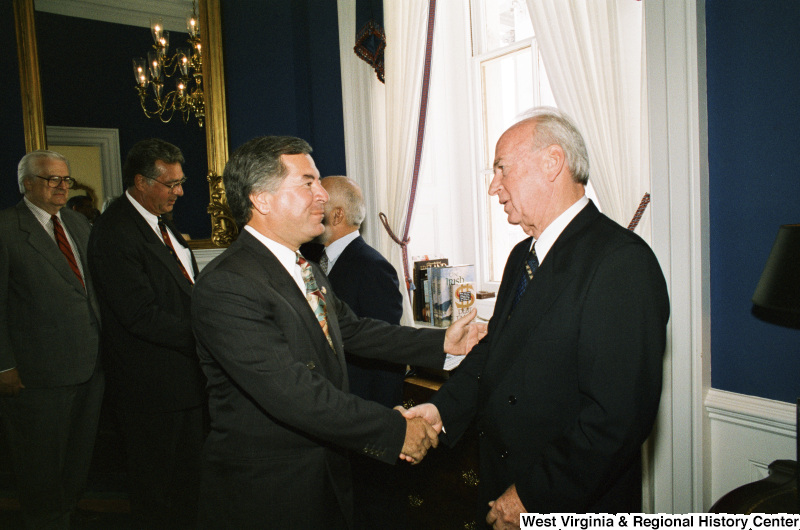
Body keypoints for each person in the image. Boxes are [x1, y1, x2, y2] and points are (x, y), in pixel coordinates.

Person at [191, 135, 484, 529]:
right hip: (269, 494)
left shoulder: (304, 267)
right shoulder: (227, 284)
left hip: (325, 478)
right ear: (261, 200)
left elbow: (354, 330)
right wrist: (394, 430)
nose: (323, 196)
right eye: (307, 183)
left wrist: (442, 342)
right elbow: (295, 393)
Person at [403, 107, 670, 527]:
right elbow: (495, 354)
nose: (493, 186)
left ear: (552, 162)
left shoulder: (621, 262)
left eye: (502, 169)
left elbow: (616, 419)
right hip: (505, 481)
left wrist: (533, 496)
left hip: (563, 501)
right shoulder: (521, 257)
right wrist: (441, 412)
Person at [88, 138, 205, 529]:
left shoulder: (158, 221)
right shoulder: (115, 231)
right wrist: (206, 335)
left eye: (180, 182)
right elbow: (139, 315)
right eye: (172, 184)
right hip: (151, 388)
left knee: (188, 484)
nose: (180, 191)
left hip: (182, 381)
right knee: (156, 493)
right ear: (141, 182)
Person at [0, 150, 104, 529]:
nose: (62, 186)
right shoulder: (6, 228)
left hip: (90, 368)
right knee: (40, 467)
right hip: (37, 375)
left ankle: (66, 514)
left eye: (66, 179)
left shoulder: (76, 223)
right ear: (27, 183)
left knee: (77, 459)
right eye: (52, 179)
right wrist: (4, 366)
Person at [315, 175, 407, 528]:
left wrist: (378, 429)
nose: (312, 205)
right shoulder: (315, 264)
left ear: (337, 214)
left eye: (319, 201)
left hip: (363, 423)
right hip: (333, 417)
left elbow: (386, 351)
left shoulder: (372, 266)